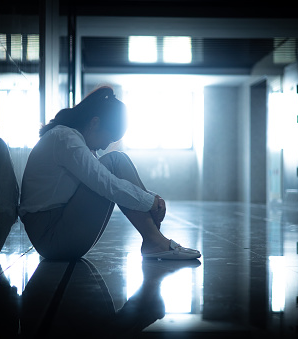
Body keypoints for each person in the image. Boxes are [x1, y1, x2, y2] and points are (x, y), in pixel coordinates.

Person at [18, 86, 201, 261]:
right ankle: (155, 240)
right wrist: (149, 202)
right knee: (114, 162)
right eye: (109, 137)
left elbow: (109, 183)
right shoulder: (65, 138)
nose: (106, 145)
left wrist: (148, 199)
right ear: (95, 122)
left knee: (116, 162)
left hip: (57, 231)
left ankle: (154, 239)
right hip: (51, 236)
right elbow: (107, 184)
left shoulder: (72, 140)